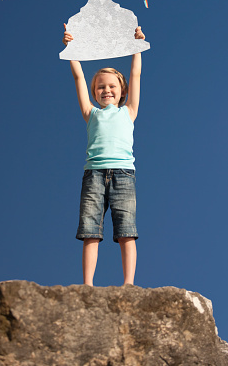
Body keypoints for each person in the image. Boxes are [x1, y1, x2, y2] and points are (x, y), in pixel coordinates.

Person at [62, 23, 146, 286]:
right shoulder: (91, 113)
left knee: (126, 231)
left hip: (123, 175)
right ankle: (87, 285)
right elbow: (78, 78)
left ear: (122, 91)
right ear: (94, 92)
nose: (106, 90)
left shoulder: (129, 111)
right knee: (90, 231)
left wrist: (137, 47)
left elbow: (136, 74)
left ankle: (129, 284)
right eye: (100, 87)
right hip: (94, 175)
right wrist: (71, 48)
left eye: (112, 86)